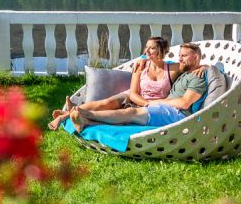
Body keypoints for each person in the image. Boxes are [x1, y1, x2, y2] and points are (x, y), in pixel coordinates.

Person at [70, 42, 208, 132]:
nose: (180, 59)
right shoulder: (185, 70)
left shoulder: (198, 77)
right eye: (179, 56)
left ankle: (84, 115)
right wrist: (143, 58)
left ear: (196, 58)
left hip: (177, 115)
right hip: (164, 108)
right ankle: (84, 120)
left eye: (184, 56)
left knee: (131, 113)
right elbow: (159, 61)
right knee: (125, 111)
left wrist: (154, 102)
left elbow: (184, 103)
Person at [48, 36, 178, 130]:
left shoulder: (172, 69)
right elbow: (133, 93)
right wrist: (145, 103)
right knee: (106, 103)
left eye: (152, 48)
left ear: (161, 51)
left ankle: (70, 115)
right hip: (135, 97)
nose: (146, 51)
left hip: (153, 105)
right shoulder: (141, 66)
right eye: (147, 47)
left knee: (121, 115)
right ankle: (65, 116)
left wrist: (199, 68)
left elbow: (190, 65)